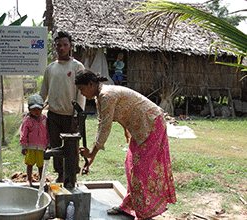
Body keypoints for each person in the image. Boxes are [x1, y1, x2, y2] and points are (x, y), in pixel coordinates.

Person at [75, 69, 176, 220]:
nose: (82, 93)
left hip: (151, 123)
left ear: (91, 84)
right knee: (130, 164)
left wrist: (91, 154)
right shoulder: (101, 96)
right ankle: (130, 205)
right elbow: (106, 119)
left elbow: (105, 128)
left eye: (82, 89)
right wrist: (125, 127)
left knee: (140, 169)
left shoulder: (106, 95)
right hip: (140, 126)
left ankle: (144, 212)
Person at [39, 31, 85, 183]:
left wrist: (77, 115)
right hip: (53, 115)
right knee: (55, 145)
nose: (62, 48)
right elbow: (43, 91)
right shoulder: (50, 68)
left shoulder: (77, 66)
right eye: (59, 45)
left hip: (70, 116)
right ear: (55, 46)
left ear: (70, 46)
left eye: (65, 45)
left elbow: (81, 92)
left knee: (71, 147)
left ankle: (71, 175)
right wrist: (36, 108)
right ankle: (60, 174)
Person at [19, 94, 50, 187]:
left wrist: (48, 143)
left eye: (39, 109)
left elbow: (47, 131)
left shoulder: (44, 119)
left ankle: (42, 180)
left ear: (42, 109)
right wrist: (24, 146)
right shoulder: (27, 120)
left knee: (41, 166)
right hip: (31, 146)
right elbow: (24, 132)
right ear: (29, 109)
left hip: (41, 147)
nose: (37, 112)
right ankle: (29, 180)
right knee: (29, 164)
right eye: (34, 110)